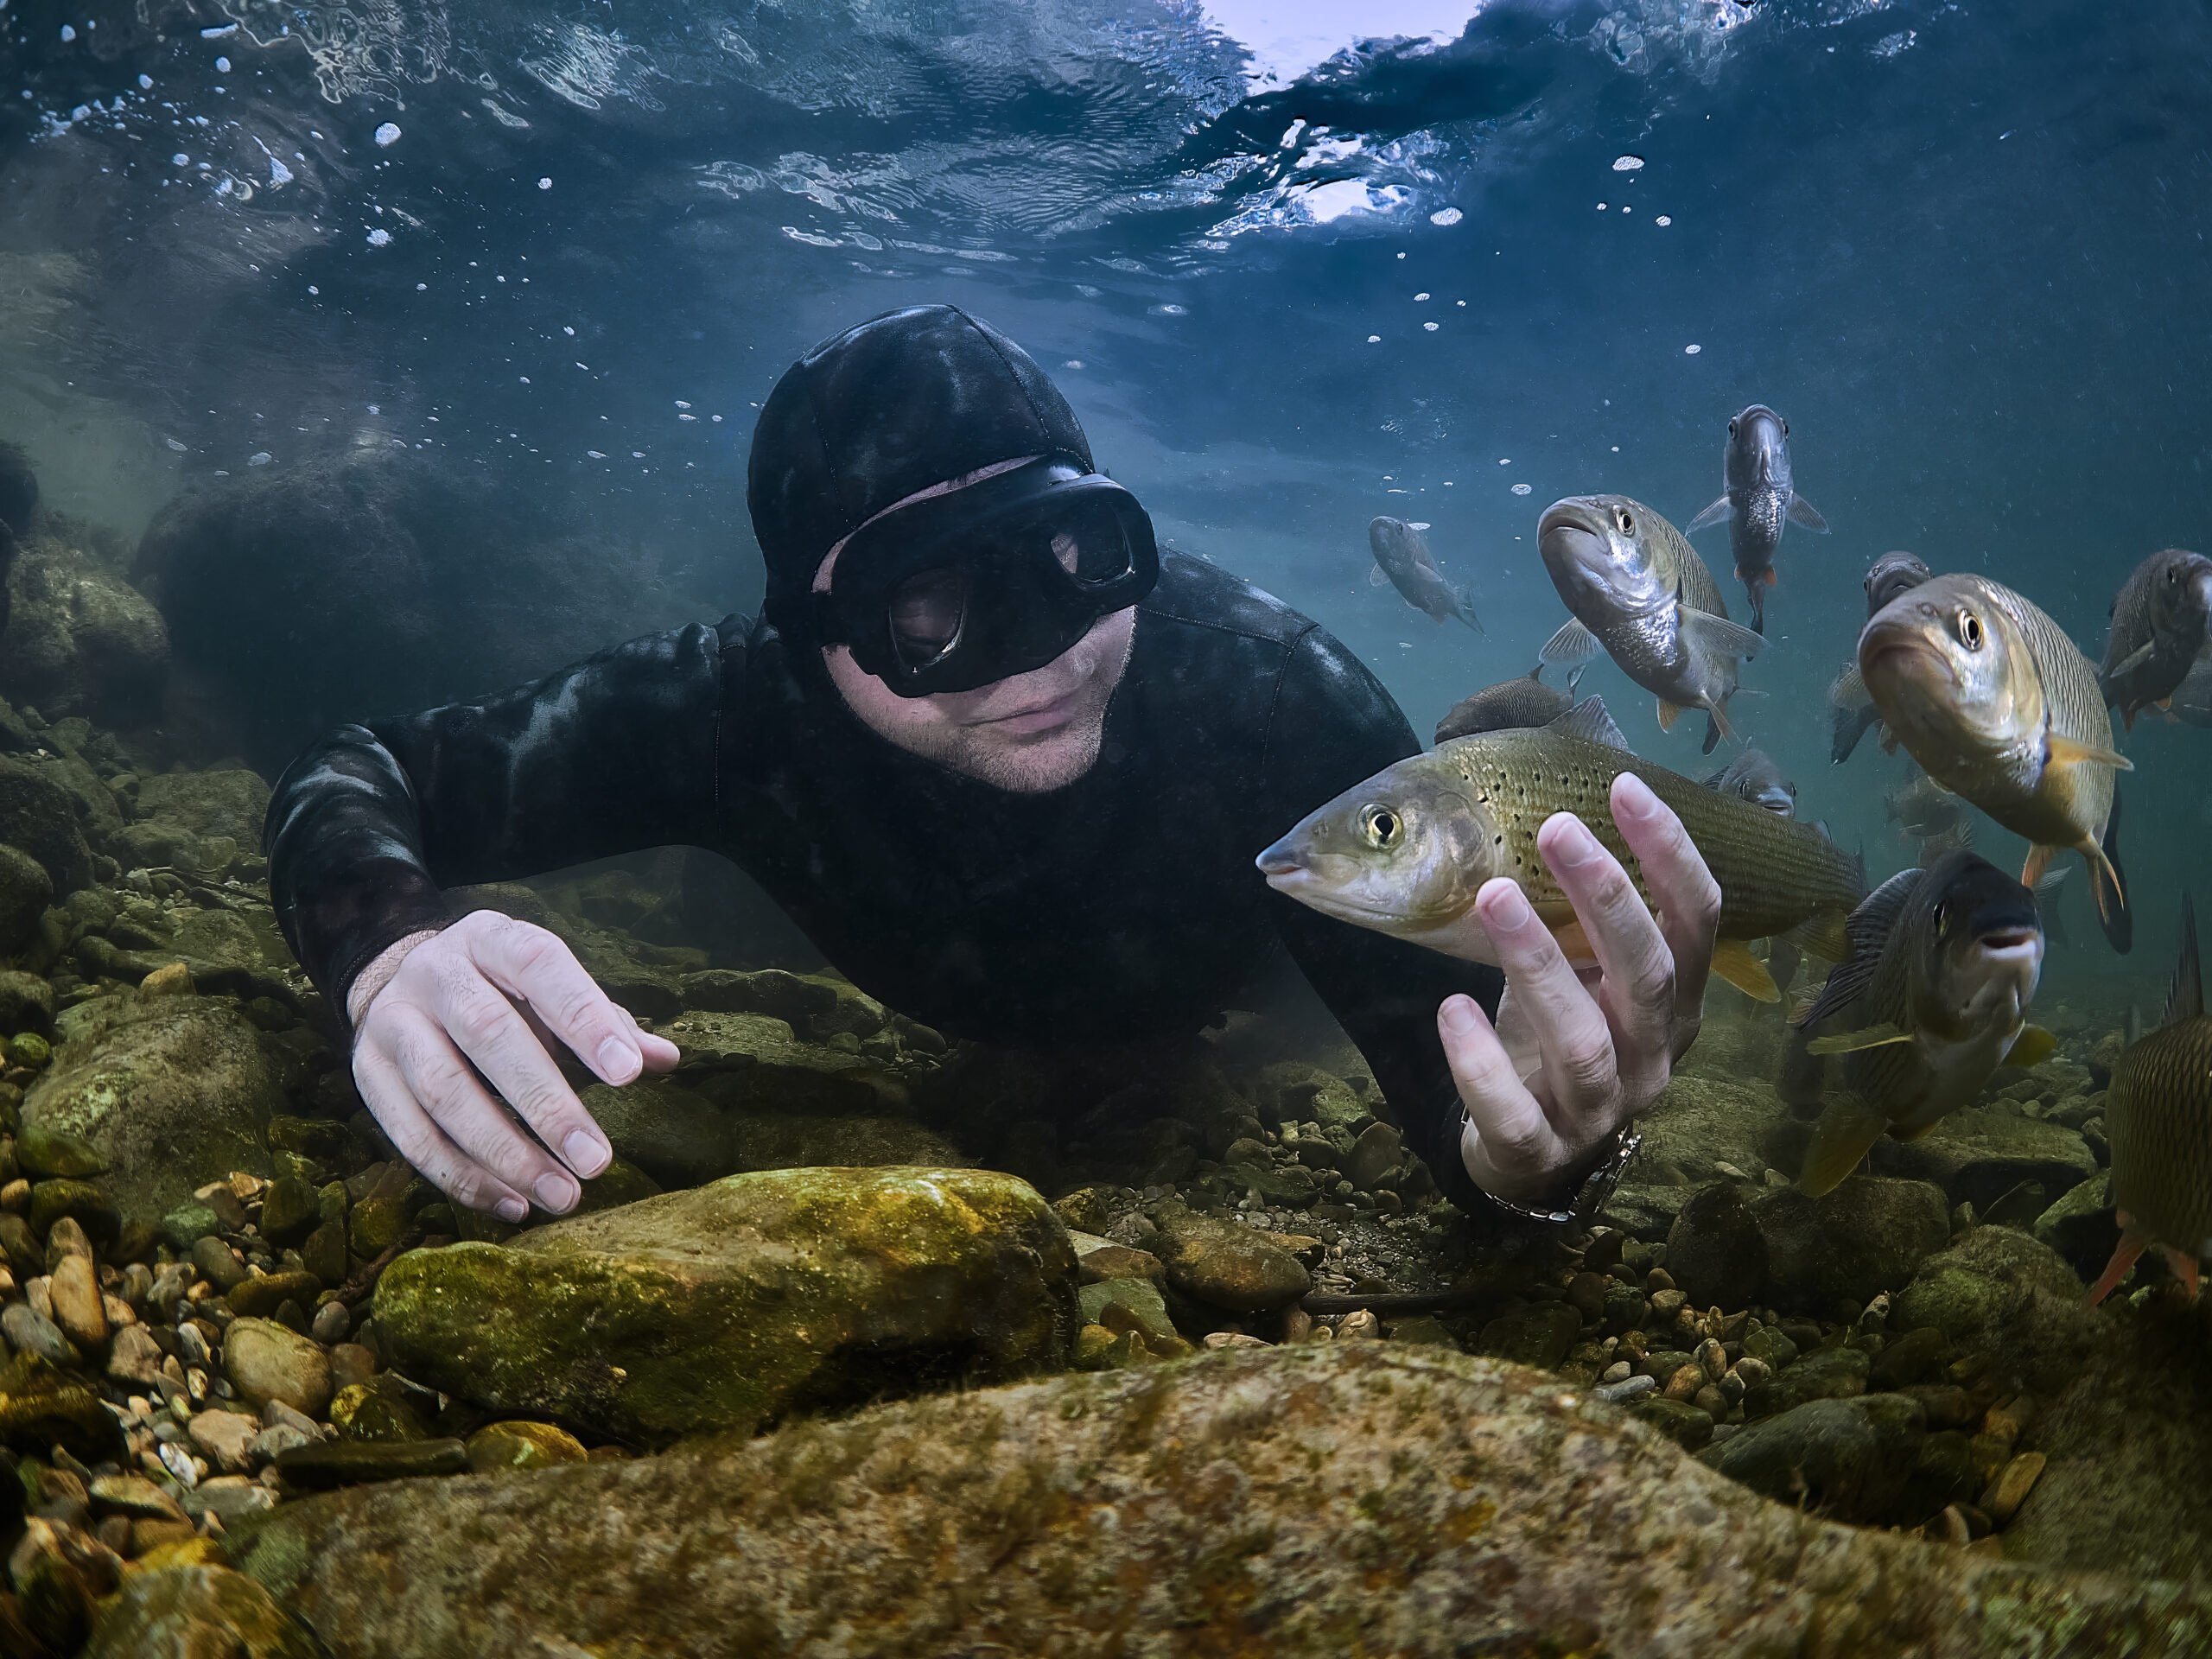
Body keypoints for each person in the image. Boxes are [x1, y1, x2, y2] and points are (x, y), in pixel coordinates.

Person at [266, 305, 1721, 1229]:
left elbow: (1467, 1106)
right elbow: (357, 767)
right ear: (812, 632)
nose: (1040, 658)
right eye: (929, 609)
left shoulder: (1272, 702)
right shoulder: (729, 709)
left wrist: (1537, 1158)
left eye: (1073, 561)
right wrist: (387, 954)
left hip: (1213, 991)